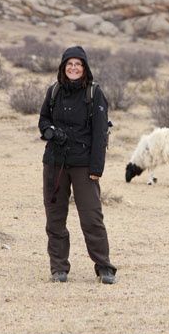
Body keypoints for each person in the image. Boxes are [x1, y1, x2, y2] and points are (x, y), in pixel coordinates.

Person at [38, 46, 117, 284]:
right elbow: (43, 119)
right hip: (55, 163)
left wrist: (96, 169)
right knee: (55, 218)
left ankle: (104, 267)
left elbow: (100, 134)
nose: (73, 68)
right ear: (63, 67)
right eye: (69, 64)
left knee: (92, 218)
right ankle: (59, 268)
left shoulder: (94, 93)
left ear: (85, 68)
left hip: (84, 166)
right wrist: (49, 131)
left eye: (78, 64)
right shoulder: (54, 91)